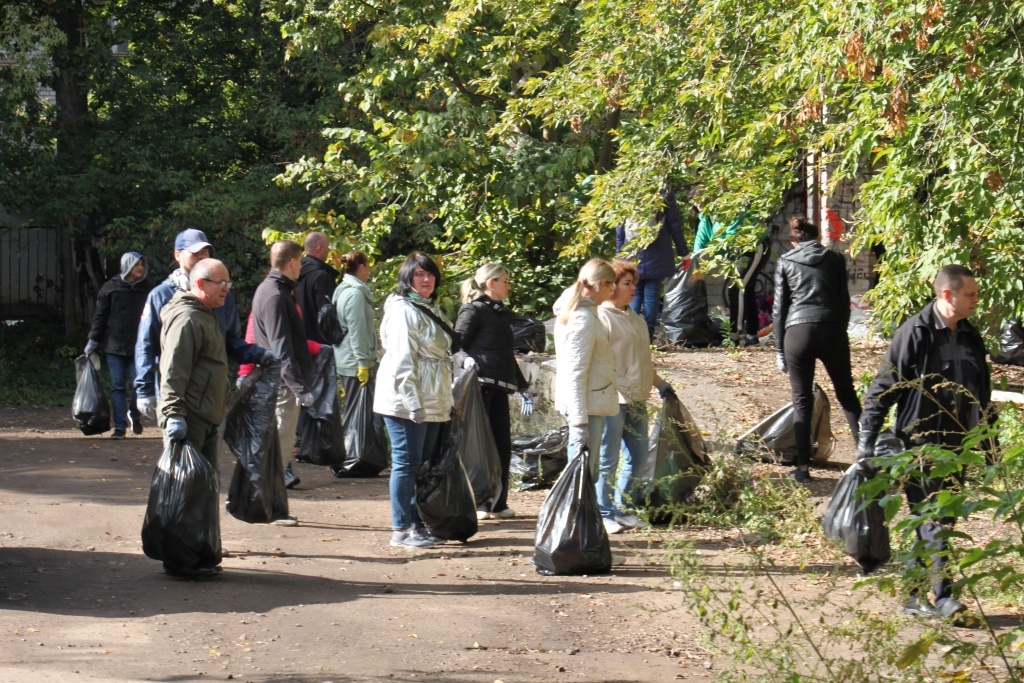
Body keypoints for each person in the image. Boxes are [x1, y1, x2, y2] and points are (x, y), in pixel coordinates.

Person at [857, 265, 988, 622]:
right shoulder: (914, 332)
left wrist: (988, 446)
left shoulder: (971, 336)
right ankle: (944, 597)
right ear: (948, 295)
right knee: (935, 519)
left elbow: (982, 393)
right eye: (971, 294)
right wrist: (866, 440)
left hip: (958, 445)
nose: (977, 300)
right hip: (920, 444)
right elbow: (883, 388)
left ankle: (913, 597)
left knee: (933, 520)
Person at [135, 229, 272, 419]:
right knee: (181, 445)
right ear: (178, 255)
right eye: (195, 252)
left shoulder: (222, 295)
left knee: (209, 447)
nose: (201, 256)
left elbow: (230, 340)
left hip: (212, 392)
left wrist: (259, 355)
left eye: (205, 252)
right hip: (176, 391)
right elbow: (146, 345)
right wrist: (145, 389)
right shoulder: (161, 296)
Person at [374, 252, 457, 549]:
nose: (426, 280)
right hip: (405, 402)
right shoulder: (402, 311)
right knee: (406, 463)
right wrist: (413, 403)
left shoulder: (427, 307)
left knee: (421, 465)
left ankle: (416, 523)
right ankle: (401, 528)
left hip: (432, 399)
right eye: (419, 275)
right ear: (407, 278)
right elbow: (401, 361)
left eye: (430, 274)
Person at [157, 258, 232, 577]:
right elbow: (173, 372)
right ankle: (181, 560)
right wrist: (173, 415)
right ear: (200, 284)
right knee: (186, 491)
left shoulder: (205, 315)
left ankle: (200, 552)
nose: (227, 290)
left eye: (229, 284)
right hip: (190, 418)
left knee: (203, 488)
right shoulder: (187, 318)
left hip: (206, 416)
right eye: (221, 284)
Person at [772, 218, 861, 483]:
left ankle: (802, 470)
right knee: (847, 394)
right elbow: (844, 301)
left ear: (793, 241)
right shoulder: (834, 259)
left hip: (798, 332)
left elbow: (779, 311)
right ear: (817, 236)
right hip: (832, 327)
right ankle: (868, 461)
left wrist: (779, 350)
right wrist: (839, 329)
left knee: (802, 400)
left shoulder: (786, 262)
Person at [597, 259, 675, 532]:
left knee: (640, 456)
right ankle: (604, 512)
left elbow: (644, 360)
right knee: (608, 459)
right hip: (612, 399)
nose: (633, 289)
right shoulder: (601, 317)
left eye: (634, 284)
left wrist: (659, 383)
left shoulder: (637, 320)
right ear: (610, 287)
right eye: (627, 284)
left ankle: (623, 507)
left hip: (637, 397)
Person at [456, 263, 533, 520]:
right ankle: (478, 501)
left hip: (500, 388)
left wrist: (522, 387)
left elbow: (505, 355)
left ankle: (498, 503)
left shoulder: (502, 315)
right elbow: (456, 346)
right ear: (491, 283)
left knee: (501, 445)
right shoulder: (473, 310)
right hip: (479, 389)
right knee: (478, 447)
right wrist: (466, 361)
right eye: (505, 280)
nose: (508, 286)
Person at [251, 240, 315, 526]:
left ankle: (269, 506)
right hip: (282, 385)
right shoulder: (276, 295)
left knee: (274, 448)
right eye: (300, 261)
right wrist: (299, 387)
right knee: (279, 449)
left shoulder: (267, 289)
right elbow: (281, 348)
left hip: (273, 380)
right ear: (291, 262)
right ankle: (271, 509)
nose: (300, 266)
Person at [553, 258, 619, 507]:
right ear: (602, 284)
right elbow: (575, 373)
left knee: (586, 475)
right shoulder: (583, 319)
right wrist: (579, 423)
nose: (613, 293)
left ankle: (580, 528)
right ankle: (574, 528)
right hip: (586, 407)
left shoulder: (583, 313)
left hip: (591, 403)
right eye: (612, 287)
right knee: (582, 476)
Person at [85, 251, 153, 439]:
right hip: (114, 346)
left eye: (142, 264)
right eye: (136, 264)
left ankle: (135, 413)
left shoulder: (148, 290)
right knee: (118, 387)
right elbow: (100, 317)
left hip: (140, 347)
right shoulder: (110, 288)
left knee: (140, 384)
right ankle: (120, 427)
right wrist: (93, 340)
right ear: (127, 266)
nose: (140, 267)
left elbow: (156, 318)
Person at [691, 195, 768, 346]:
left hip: (753, 247)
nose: (699, 204)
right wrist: (693, 260)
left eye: (701, 200)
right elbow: (701, 239)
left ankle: (735, 335)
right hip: (739, 252)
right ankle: (752, 335)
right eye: (696, 201)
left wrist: (717, 252)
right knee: (747, 290)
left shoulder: (729, 208)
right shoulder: (706, 217)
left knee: (737, 289)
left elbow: (732, 237)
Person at [615, 188, 691, 341]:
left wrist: (620, 254)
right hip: (658, 252)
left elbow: (619, 227)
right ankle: (646, 340)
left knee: (633, 294)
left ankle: (632, 338)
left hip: (632, 252)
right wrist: (684, 253)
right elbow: (674, 225)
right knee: (651, 298)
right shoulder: (663, 191)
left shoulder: (627, 189)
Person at [332, 251, 377, 399]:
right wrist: (363, 363)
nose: (369, 271)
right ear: (362, 267)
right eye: (368, 267)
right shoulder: (355, 294)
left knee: (356, 413)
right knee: (359, 417)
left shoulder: (341, 289)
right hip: (354, 364)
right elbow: (356, 331)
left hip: (346, 359)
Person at [295, 231, 340, 344]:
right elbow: (328, 318)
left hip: (301, 344)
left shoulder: (293, 276)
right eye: (328, 247)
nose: (329, 250)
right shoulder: (322, 277)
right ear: (320, 249)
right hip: (321, 347)